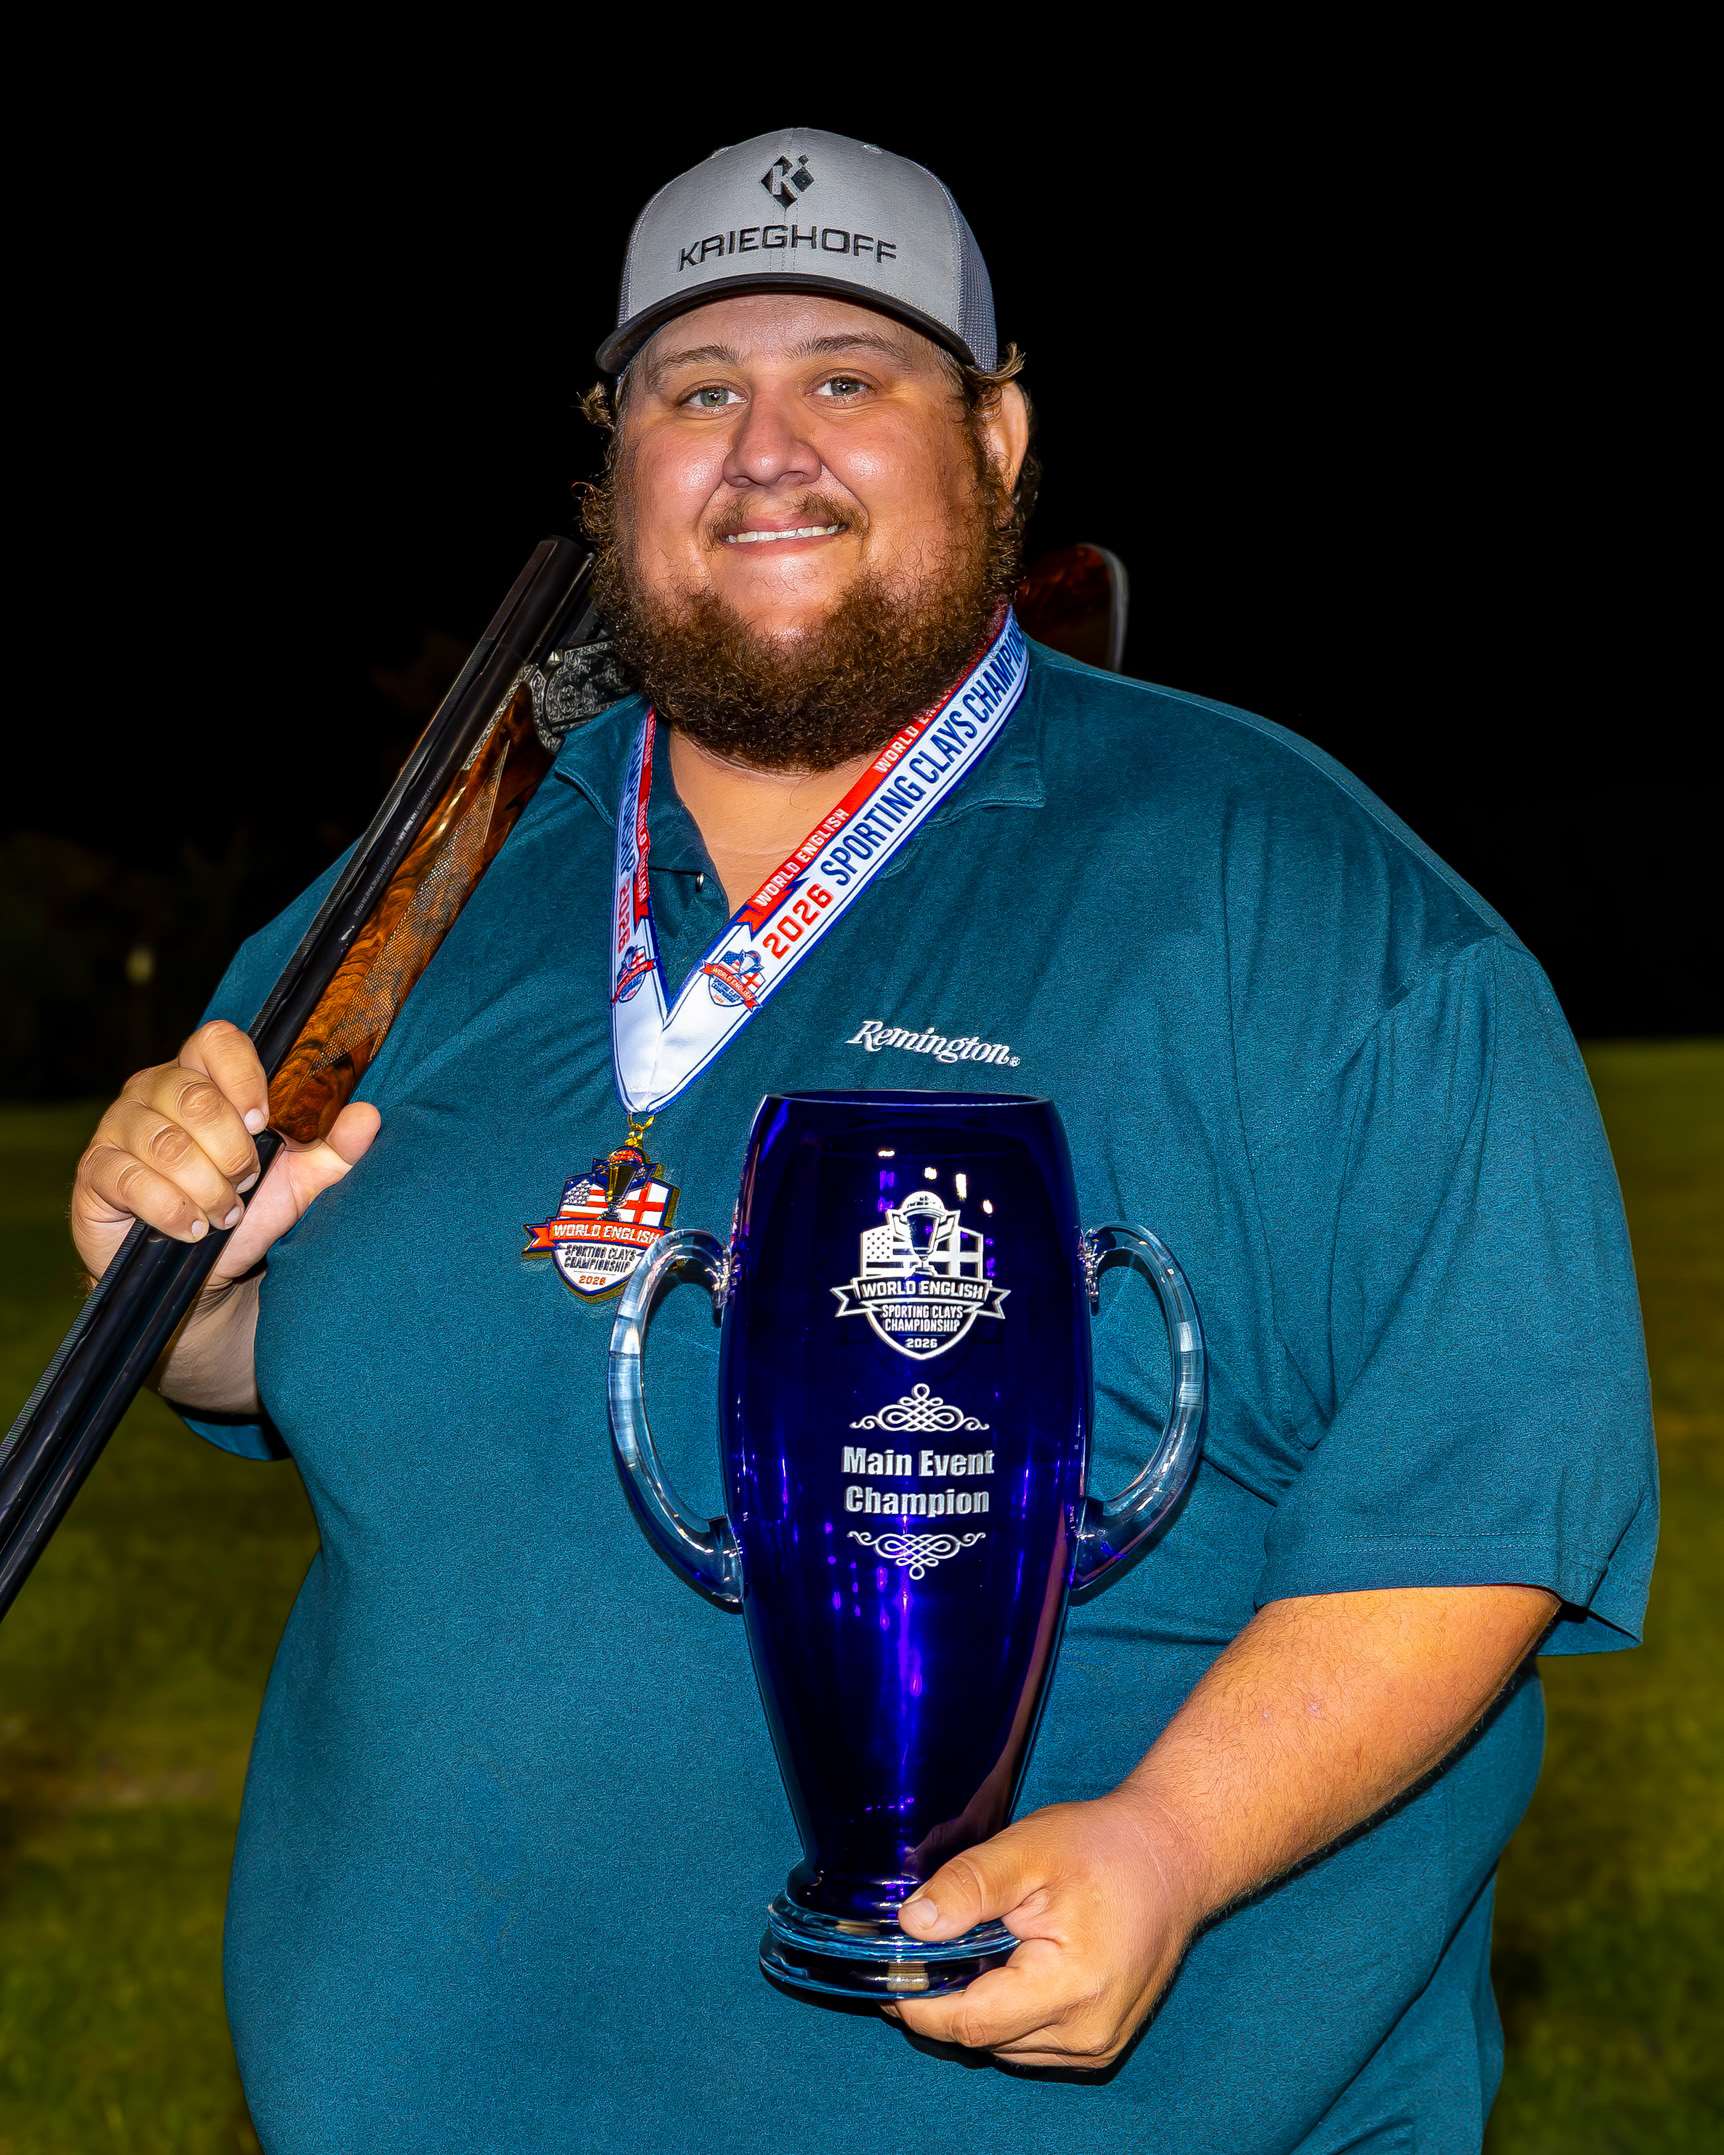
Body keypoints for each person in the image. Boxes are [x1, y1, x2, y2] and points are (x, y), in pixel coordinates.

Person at [68, 128, 1658, 2154]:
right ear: (610, 462)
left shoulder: (1303, 904)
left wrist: (1168, 1845)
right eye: (696, 389)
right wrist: (172, 1264)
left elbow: (1480, 1493)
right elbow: (250, 1351)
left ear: (998, 439)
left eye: (850, 376)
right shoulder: (415, 894)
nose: (765, 443)